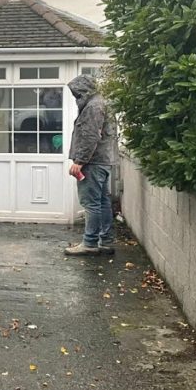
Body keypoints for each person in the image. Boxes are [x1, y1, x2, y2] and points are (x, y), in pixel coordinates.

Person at [64, 74, 117, 255]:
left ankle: (90, 243)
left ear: (84, 89)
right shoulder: (101, 103)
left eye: (77, 93)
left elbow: (90, 136)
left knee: (91, 203)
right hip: (103, 161)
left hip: (93, 162)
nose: (76, 97)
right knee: (102, 202)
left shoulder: (93, 106)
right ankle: (106, 241)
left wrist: (79, 161)